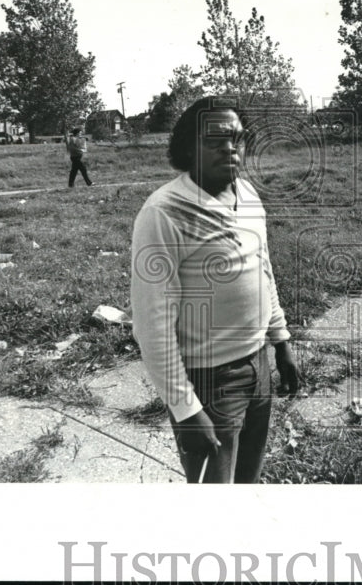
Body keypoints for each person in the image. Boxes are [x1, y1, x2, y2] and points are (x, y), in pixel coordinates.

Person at [130, 96, 299, 483]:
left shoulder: (248, 194)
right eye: (217, 140)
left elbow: (263, 270)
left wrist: (281, 341)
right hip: (209, 380)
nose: (231, 149)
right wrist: (185, 407)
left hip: (259, 367)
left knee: (247, 482)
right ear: (189, 147)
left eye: (237, 139)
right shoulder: (164, 212)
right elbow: (151, 326)